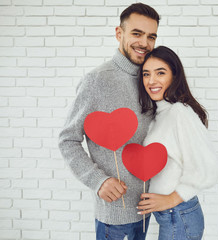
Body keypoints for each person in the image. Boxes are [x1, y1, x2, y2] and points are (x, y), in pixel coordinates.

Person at [58, 3, 160, 240]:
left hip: (146, 211)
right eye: (137, 33)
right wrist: (98, 180)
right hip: (113, 217)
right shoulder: (97, 80)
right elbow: (68, 140)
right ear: (119, 33)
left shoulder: (151, 78)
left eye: (151, 36)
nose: (144, 43)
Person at [136, 46, 218, 240]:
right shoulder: (160, 114)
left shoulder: (179, 112)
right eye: (146, 74)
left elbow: (209, 167)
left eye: (160, 73)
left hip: (179, 215)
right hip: (172, 216)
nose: (151, 81)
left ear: (174, 76)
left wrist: (172, 199)